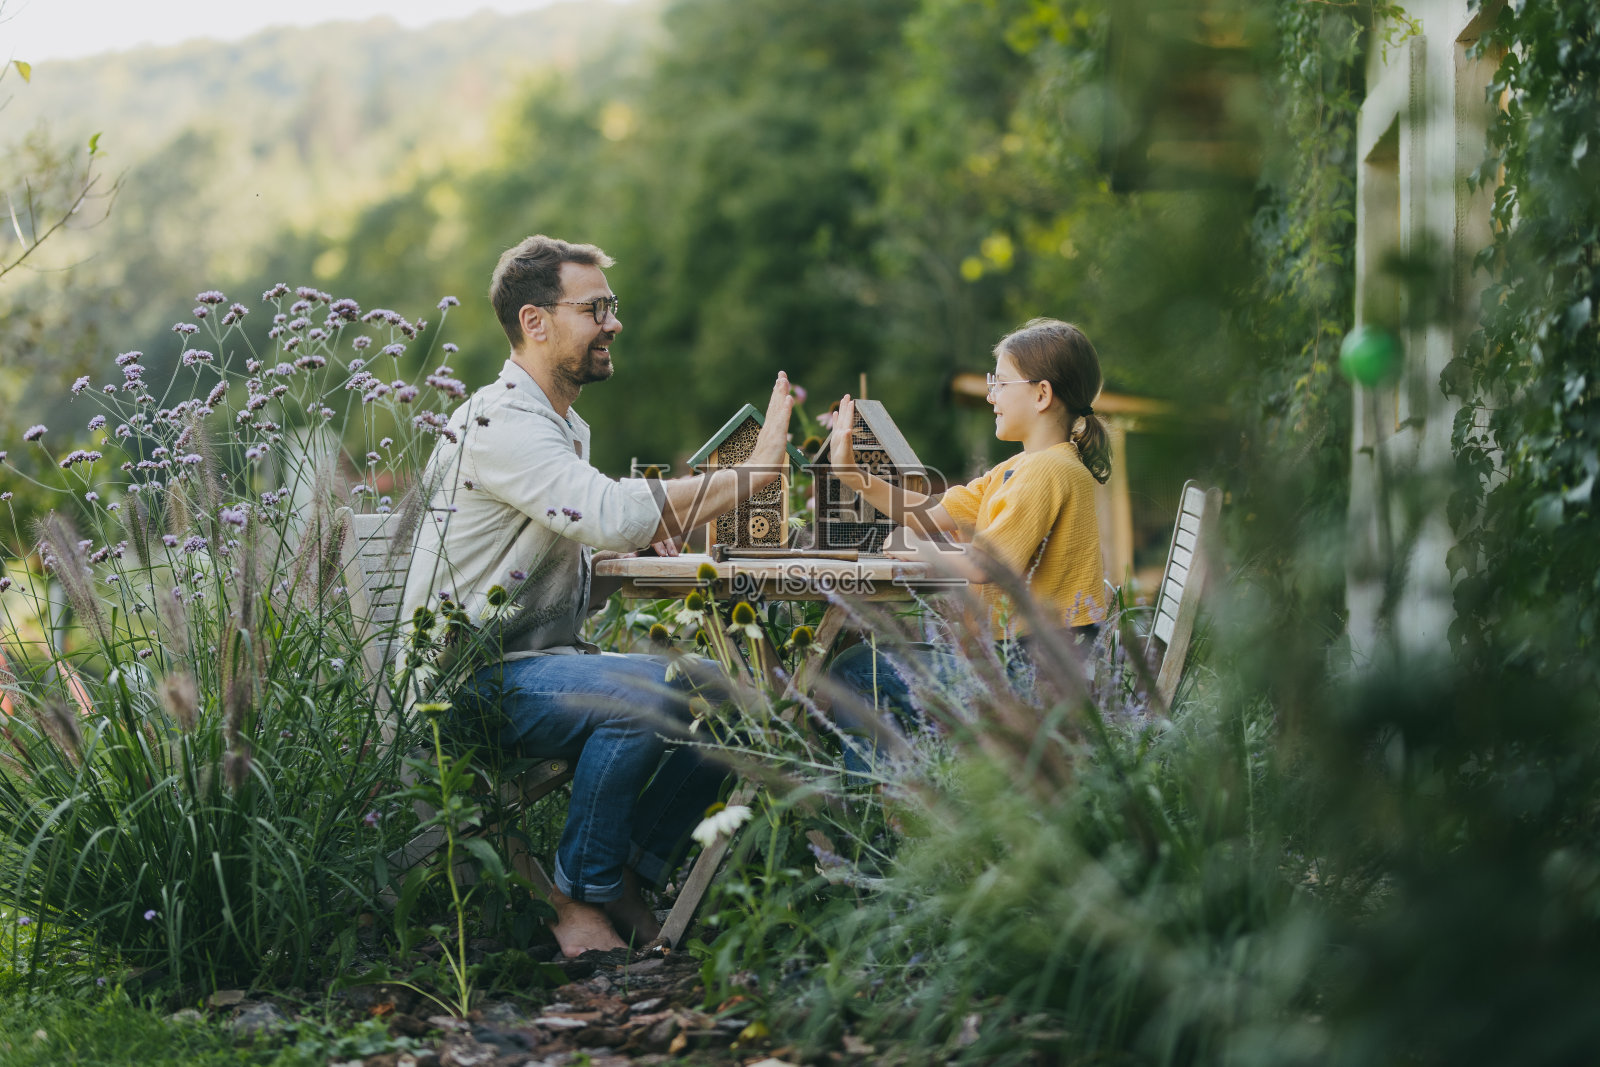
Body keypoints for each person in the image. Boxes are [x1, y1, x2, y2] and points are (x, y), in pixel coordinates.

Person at [399, 234, 793, 957]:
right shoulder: (499, 424)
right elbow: (608, 508)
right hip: (462, 682)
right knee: (642, 691)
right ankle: (579, 890)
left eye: (611, 307)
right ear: (535, 322)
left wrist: (613, 548)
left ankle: (621, 875)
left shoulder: (559, 425)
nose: (613, 322)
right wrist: (756, 470)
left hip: (530, 667)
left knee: (726, 691)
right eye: (597, 307)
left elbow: (576, 528)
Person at [822, 318, 1111, 754]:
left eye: (1001, 381)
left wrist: (918, 548)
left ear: (1041, 394)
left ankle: (884, 810)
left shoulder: (1046, 471)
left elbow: (987, 565)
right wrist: (853, 475)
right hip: (1022, 662)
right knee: (862, 665)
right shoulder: (1019, 469)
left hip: (1032, 674)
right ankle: (906, 798)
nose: (991, 395)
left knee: (855, 670)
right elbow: (928, 512)